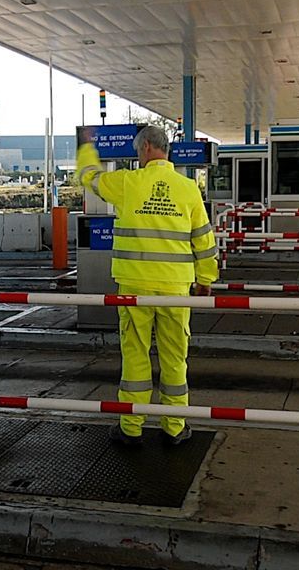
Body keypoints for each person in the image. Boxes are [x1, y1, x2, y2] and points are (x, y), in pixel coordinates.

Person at [76, 126, 218, 446]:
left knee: (135, 354)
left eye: (139, 152)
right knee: (174, 357)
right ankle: (174, 427)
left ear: (146, 149)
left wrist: (86, 147)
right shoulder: (188, 189)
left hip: (134, 286)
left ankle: (131, 427)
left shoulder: (128, 183)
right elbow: (204, 240)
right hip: (175, 288)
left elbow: (89, 178)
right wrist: (206, 279)